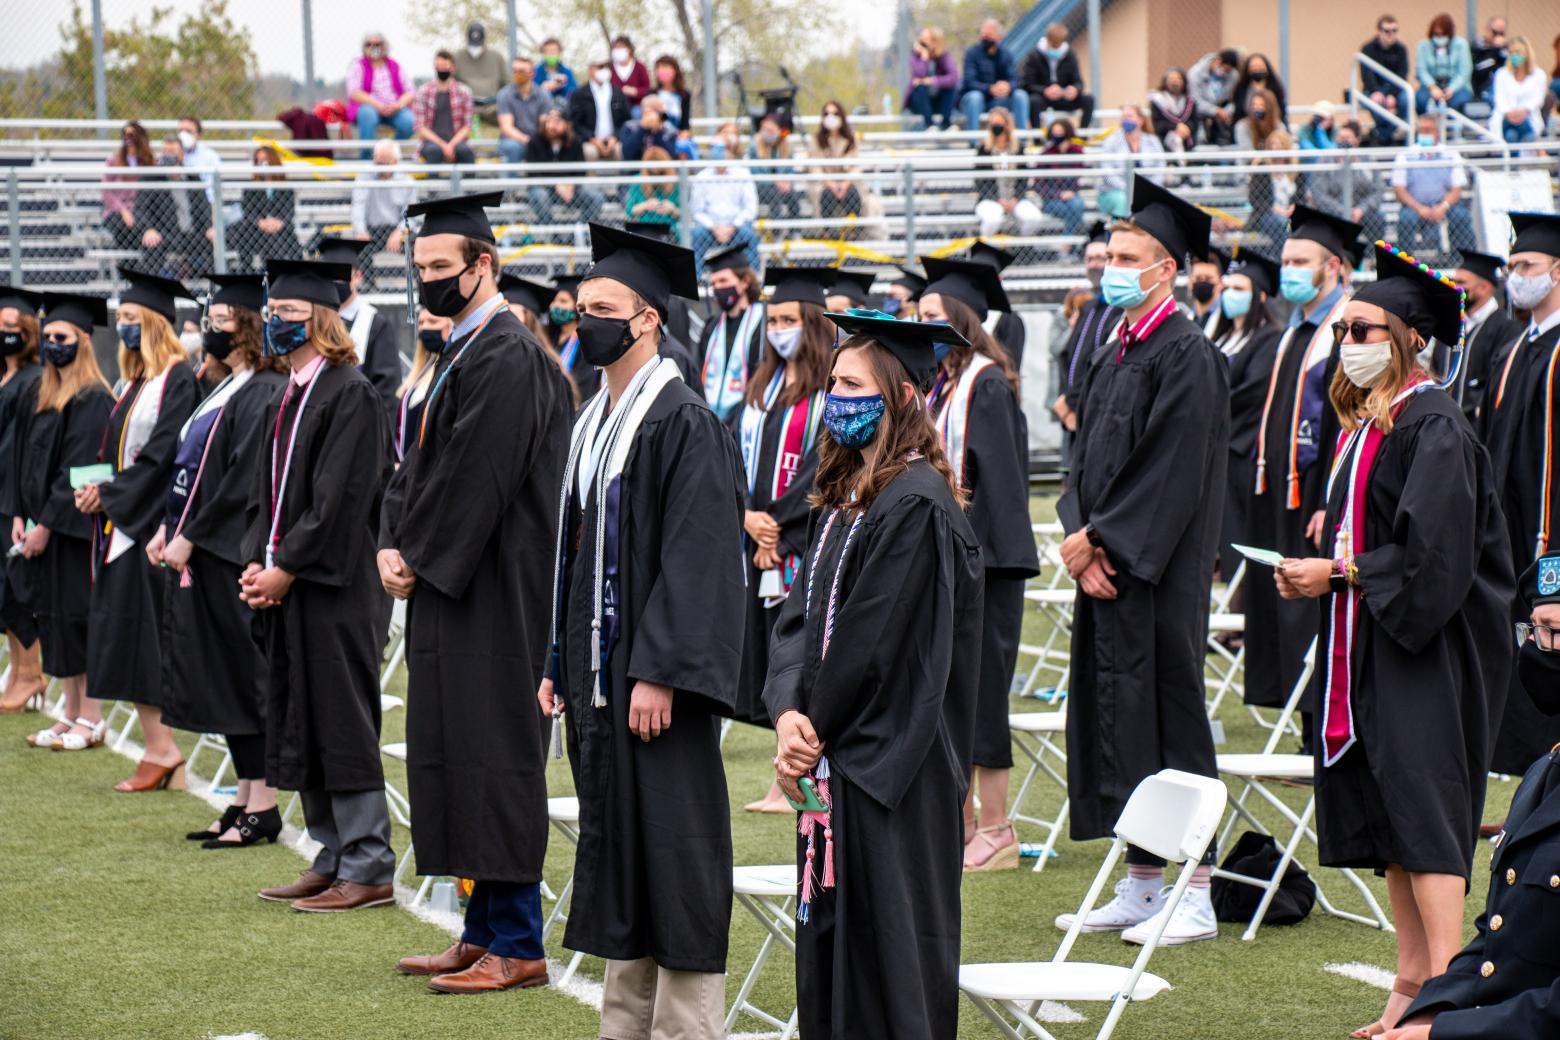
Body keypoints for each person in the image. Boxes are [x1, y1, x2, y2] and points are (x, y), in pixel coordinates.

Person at [1275, 242, 1514, 1038]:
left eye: (1365, 328)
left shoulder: (1435, 424)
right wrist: (1326, 573)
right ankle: (1411, 983)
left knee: (1426, 812)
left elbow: (1435, 558)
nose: (1350, 343)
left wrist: (1336, 577)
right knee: (1392, 817)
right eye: (1343, 330)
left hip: (1430, 651)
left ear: (1411, 335)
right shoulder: (1372, 423)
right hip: (1376, 641)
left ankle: (1446, 1000)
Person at [538, 224, 745, 1038]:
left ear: (648, 318)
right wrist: (558, 655)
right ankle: (625, 1027)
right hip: (601, 684)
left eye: (602, 308)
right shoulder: (598, 418)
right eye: (580, 307)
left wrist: (659, 670)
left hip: (654, 690)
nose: (584, 321)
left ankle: (687, 1028)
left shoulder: (680, 419)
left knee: (674, 858)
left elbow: (698, 560)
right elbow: (579, 553)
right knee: (624, 857)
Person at [764, 311, 983, 1038]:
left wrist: (814, 726)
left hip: (891, 771)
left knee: (889, 962)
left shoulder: (916, 503)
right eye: (833, 383)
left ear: (903, 398)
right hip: (835, 761)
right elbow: (798, 618)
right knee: (835, 954)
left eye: (854, 384)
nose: (837, 398)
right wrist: (789, 711)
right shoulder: (848, 494)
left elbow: (876, 645)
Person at [379, 193, 571, 991]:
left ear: (483, 265)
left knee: (496, 755)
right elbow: (418, 468)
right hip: (458, 585)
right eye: (419, 269)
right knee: (458, 752)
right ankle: (481, 927)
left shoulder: (507, 356)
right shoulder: (460, 351)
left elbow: (476, 479)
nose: (427, 282)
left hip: (501, 590)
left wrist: (417, 554)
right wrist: (393, 542)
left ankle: (518, 940)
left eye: (440, 269)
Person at [1055, 175, 1228, 945]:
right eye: (1108, 253)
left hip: (1156, 574)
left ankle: (1197, 889)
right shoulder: (1113, 346)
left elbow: (1173, 468)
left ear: (1168, 269)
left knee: (1173, 722)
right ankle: (1143, 883)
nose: (1110, 266)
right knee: (1121, 724)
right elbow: (1082, 457)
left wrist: (1106, 541)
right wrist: (1077, 536)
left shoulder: (1186, 353)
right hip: (1109, 571)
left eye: (1128, 255)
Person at [246, 258, 395, 913]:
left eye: (288, 314)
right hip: (296, 582)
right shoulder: (296, 390)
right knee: (301, 713)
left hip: (335, 586)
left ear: (321, 320)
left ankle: (368, 864)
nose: (274, 322)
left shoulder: (349, 391)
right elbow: (272, 497)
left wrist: (288, 564)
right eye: (272, 311)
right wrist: (262, 561)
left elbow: (339, 500)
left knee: (341, 717)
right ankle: (331, 855)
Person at [1386, 594, 1560, 1040]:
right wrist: (1428, 1011)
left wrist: (1448, 1032)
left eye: (1556, 634)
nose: (1539, 650)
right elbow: (1497, 939)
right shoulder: (1545, 772)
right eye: (1536, 631)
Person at [152, 273, 287, 847]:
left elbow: (236, 484)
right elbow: (193, 469)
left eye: (225, 318)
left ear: (251, 326)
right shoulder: (226, 385)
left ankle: (264, 801)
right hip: (202, 549)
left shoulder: (261, 389)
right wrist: (169, 525)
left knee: (243, 675)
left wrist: (192, 535)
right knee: (224, 678)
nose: (211, 327)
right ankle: (242, 794)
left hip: (229, 551)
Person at [917, 257, 1038, 873]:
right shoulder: (944, 384)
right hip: (955, 563)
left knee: (984, 694)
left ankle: (998, 829)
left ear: (962, 320)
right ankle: (963, 822)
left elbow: (1002, 487)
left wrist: (976, 558)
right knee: (954, 692)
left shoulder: (985, 384)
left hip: (986, 567)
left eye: (933, 317)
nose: (923, 326)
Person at [76, 268, 198, 789]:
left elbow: (165, 454)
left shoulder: (177, 377)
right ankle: (158, 748)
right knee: (120, 638)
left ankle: (163, 749)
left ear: (152, 322)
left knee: (140, 641)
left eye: (130, 318)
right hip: (123, 525)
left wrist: (112, 495)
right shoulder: (136, 380)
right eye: (119, 319)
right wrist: (96, 488)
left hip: (148, 528)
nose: (122, 327)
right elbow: (119, 451)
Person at [1245, 205, 1362, 714]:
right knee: (1282, 605)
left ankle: (1317, 720)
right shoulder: (1293, 330)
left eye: (1300, 260)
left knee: (1310, 608)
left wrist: (1329, 503)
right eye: (1285, 259)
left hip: (1317, 495)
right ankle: (1296, 718)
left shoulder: (1348, 331)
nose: (1287, 268)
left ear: (1333, 266)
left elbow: (1350, 423)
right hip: (1283, 489)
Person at [732, 267, 834, 813]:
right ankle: (783, 774)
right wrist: (747, 516)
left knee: (797, 655)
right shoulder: (761, 386)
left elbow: (820, 471)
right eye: (772, 320)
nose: (778, 329)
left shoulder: (828, 391)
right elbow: (731, 455)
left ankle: (795, 777)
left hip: (799, 544)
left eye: (789, 320)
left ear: (812, 324)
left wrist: (777, 526)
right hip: (759, 541)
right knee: (772, 658)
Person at [1481, 212, 1560, 780]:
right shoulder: (1514, 349)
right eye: (1512, 266)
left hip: (1547, 548)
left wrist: (1554, 574)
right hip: (1509, 545)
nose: (1517, 277)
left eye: (1528, 266)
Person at [15, 294, 113, 750]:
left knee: (77, 618)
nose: (53, 344)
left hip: (73, 530)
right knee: (54, 618)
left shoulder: (92, 397)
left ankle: (90, 716)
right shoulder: (43, 392)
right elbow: (24, 463)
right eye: (49, 336)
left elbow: (74, 471)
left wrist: (45, 525)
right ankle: (70, 711)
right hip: (43, 526)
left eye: (63, 337)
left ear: (84, 342)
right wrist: (22, 514)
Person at [1208, 249, 1283, 585]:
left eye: (1239, 289)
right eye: (1226, 288)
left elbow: (1250, 394)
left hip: (1243, 449)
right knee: (1221, 529)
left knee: (1241, 531)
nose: (1229, 295)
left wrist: (1205, 408)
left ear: (1260, 296)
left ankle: (1241, 616)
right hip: (1218, 448)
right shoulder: (1220, 335)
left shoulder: (1269, 338)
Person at [0, 288, 45, 715]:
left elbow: (15, 450)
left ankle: (30, 672)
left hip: (9, 498)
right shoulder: (5, 375)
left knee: (14, 589)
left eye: (12, 328)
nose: (5, 335)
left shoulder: (32, 380)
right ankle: (18, 670)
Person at [314, 236, 405, 419]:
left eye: (341, 275)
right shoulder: (314, 322)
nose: (334, 282)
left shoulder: (375, 323)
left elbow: (386, 390)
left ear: (357, 277)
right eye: (328, 275)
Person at [1054, 222, 1119, 466]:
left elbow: (1102, 360)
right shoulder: (1088, 307)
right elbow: (1068, 358)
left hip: (1096, 411)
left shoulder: (1118, 309)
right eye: (1090, 258)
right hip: (1073, 413)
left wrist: (1072, 402)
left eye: (1102, 258)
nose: (1095, 264)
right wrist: (1065, 401)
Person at [1447, 249, 1523, 420]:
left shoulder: (1506, 329)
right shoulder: (1453, 326)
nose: (1454, 286)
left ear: (1484, 287)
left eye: (1461, 282)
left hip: (1481, 427)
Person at [696, 243, 766, 422]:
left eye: (723, 281)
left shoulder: (762, 322)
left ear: (744, 282)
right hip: (711, 420)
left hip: (747, 418)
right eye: (714, 284)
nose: (718, 288)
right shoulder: (712, 327)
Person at [1390, 115, 1475, 261]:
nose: (1424, 134)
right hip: (1414, 206)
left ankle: (1460, 261)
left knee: (1461, 216)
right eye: (1421, 130)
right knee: (1406, 218)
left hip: (1445, 205)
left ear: (1437, 132)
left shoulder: (1450, 155)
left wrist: (1443, 206)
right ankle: (1405, 263)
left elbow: (1457, 188)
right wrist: (1419, 208)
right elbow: (1399, 189)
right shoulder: (1406, 155)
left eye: (1428, 130)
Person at [139, 137, 211, 280]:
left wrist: (210, 227)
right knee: (152, 245)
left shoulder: (192, 178)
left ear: (182, 155)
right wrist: (148, 229)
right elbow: (141, 209)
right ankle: (155, 292)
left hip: (192, 234)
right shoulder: (152, 178)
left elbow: (204, 208)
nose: (168, 155)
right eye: (165, 151)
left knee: (215, 242)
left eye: (172, 151)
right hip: (164, 235)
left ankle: (211, 293)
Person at [1307, 119, 1387, 246]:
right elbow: (1319, 194)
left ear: (1357, 140)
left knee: (1377, 220)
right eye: (1340, 137)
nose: (1342, 141)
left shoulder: (1367, 161)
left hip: (1361, 213)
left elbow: (1378, 190)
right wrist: (1343, 211)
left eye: (1347, 138)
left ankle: (1373, 259)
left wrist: (1361, 209)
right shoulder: (1325, 161)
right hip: (1332, 212)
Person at [690, 131, 760, 273]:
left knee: (750, 236)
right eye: (713, 148)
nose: (716, 152)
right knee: (696, 235)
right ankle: (695, 284)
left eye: (720, 148)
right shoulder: (701, 177)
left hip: (737, 227)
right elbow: (697, 211)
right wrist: (714, 227)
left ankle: (753, 281)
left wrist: (733, 226)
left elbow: (750, 208)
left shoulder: (743, 174)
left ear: (730, 151)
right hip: (709, 229)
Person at [525, 108, 605, 227]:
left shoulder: (575, 142)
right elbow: (532, 173)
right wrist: (556, 184)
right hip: (543, 188)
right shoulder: (535, 141)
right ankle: (552, 234)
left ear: (566, 124)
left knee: (596, 198)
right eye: (549, 121)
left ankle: (579, 232)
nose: (551, 126)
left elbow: (580, 171)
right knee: (540, 196)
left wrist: (570, 185)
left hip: (569, 189)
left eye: (557, 122)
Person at [975, 108, 1041, 238]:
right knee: (993, 219)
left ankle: (1019, 246)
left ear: (1007, 124)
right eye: (992, 123)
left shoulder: (1018, 148)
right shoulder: (983, 149)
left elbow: (1024, 178)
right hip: (991, 199)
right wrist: (997, 199)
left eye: (998, 122)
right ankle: (985, 249)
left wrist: (1016, 198)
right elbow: (979, 181)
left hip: (1015, 198)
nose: (995, 126)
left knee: (1034, 218)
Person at [347, 32, 416, 155]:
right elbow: (354, 92)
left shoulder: (395, 66)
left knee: (410, 122)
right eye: (369, 44)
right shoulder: (358, 66)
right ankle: (366, 160)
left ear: (384, 46)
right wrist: (378, 105)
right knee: (367, 115)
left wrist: (398, 105)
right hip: (370, 107)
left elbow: (410, 92)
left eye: (377, 44)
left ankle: (388, 154)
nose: (373, 48)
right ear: (364, 47)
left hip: (394, 108)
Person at [349, 140, 416, 261]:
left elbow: (411, 215)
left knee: (417, 245)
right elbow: (358, 205)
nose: (378, 166)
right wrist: (361, 231)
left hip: (397, 228)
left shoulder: (406, 180)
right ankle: (368, 281)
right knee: (358, 247)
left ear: (394, 162)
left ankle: (419, 279)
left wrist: (400, 231)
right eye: (376, 161)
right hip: (372, 229)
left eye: (383, 163)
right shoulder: (364, 176)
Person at [235, 146, 301, 269]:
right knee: (248, 235)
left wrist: (278, 222)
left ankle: (278, 274)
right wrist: (260, 222)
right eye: (258, 161)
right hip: (257, 230)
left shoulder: (285, 186)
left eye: (265, 159)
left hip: (280, 229)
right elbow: (248, 210)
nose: (262, 164)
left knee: (278, 239)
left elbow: (289, 210)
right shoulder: (251, 186)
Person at [960, 19, 1030, 132]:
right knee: (974, 97)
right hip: (979, 100)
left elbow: (1015, 79)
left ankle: (1022, 141)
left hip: (999, 100)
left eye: (989, 35)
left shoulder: (1006, 54)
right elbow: (969, 81)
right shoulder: (972, 53)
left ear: (998, 37)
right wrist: (990, 89)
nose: (985, 38)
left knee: (1020, 95)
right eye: (983, 34)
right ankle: (973, 142)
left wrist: (1008, 86)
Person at [1096, 105, 1164, 219]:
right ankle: (1120, 234)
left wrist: (1149, 190)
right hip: (1114, 192)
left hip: (1147, 191)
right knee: (1123, 200)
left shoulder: (1152, 141)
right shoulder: (1111, 140)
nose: (1125, 120)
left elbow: (1160, 168)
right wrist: (1129, 190)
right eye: (1123, 117)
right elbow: (1106, 172)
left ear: (1141, 120)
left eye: (1129, 116)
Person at [1021, 23, 1094, 129]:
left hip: (1064, 98)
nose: (1055, 49)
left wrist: (1074, 89)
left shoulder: (1069, 55)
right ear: (1047, 40)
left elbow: (1079, 82)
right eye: (1053, 45)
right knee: (1033, 101)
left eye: (1058, 45)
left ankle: (1082, 136)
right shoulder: (1034, 56)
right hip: (1044, 99)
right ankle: (1037, 139)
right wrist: (1045, 90)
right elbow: (1027, 84)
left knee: (1088, 100)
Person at [415, 51, 476, 166]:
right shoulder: (423, 91)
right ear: (434, 67)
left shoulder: (464, 92)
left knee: (466, 152)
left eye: (445, 67)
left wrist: (451, 145)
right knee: (434, 151)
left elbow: (467, 126)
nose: (442, 70)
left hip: (457, 140)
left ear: (453, 68)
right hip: (431, 142)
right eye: (439, 67)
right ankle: (431, 184)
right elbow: (420, 126)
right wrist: (443, 145)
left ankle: (469, 183)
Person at [103, 122, 154, 254]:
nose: (127, 138)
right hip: (118, 212)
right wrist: (123, 210)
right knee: (124, 227)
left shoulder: (150, 162)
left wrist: (137, 212)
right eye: (124, 135)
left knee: (145, 228)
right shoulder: (114, 162)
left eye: (131, 135)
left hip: (143, 211)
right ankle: (128, 267)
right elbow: (106, 191)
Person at [1360, 15, 1412, 144]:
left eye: (1394, 31)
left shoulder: (1401, 49)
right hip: (1374, 88)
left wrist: (1392, 94)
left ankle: (1382, 134)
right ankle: (1388, 134)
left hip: (1394, 88)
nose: (1391, 34)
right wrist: (1375, 91)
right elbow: (1366, 74)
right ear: (1379, 31)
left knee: (1407, 99)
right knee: (1374, 101)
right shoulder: (1368, 49)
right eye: (1387, 31)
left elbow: (1402, 74)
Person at [812, 101, 864, 227]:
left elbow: (857, 166)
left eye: (835, 113)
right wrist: (830, 184)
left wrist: (846, 184)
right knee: (827, 196)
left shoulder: (851, 140)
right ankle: (826, 232)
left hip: (848, 183)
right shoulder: (816, 140)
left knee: (853, 194)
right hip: (825, 185)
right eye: (827, 114)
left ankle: (853, 231)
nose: (831, 117)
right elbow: (814, 168)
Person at [1035, 118, 1087, 240]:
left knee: (1077, 205)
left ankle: (1065, 245)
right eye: (1054, 132)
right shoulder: (1046, 153)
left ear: (1067, 133)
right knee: (1075, 211)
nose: (1057, 135)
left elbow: (1079, 178)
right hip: (1051, 199)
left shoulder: (1077, 152)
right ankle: (1069, 245)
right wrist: (1058, 194)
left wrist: (1071, 192)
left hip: (1072, 197)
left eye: (1060, 132)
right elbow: (1038, 184)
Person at [1490, 36, 1549, 144]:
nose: (1514, 56)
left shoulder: (1539, 75)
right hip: (1506, 117)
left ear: (1527, 53)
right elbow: (1500, 97)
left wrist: (1524, 111)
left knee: (1511, 136)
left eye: (1518, 52)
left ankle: (1518, 156)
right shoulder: (1502, 74)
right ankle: (1538, 148)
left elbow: (1538, 99)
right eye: (1511, 52)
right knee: (1525, 133)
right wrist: (1509, 113)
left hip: (1528, 116)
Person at [569, 61, 630, 163]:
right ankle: (590, 179)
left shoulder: (618, 92)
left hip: (615, 140)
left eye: (607, 67)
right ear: (590, 70)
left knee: (621, 150)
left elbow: (626, 119)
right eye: (600, 67)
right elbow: (576, 123)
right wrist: (592, 139)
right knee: (589, 152)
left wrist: (615, 137)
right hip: (589, 141)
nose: (604, 70)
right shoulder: (579, 94)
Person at [1415, 13, 1474, 114]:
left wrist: (1451, 89)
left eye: (1443, 35)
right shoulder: (1423, 46)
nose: (1440, 38)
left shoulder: (1461, 45)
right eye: (1437, 34)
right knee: (1422, 100)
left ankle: (1454, 128)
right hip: (1431, 87)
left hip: (1456, 87)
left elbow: (1465, 71)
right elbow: (1421, 70)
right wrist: (1433, 87)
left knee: (1458, 102)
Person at [748, 113, 802, 222]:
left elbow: (791, 169)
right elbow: (755, 172)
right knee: (774, 194)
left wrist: (787, 181)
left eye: (771, 130)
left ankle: (795, 231)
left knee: (793, 195)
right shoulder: (754, 146)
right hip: (762, 186)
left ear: (778, 131)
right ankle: (776, 231)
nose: (767, 133)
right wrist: (775, 181)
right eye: (765, 129)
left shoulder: (785, 145)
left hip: (783, 186)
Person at [904, 26, 960, 131]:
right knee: (920, 87)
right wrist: (924, 57)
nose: (921, 42)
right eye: (921, 39)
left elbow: (953, 78)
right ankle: (930, 126)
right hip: (919, 103)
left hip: (938, 102)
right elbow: (918, 75)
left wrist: (931, 81)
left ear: (935, 42)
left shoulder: (944, 56)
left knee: (951, 87)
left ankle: (946, 124)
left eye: (925, 39)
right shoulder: (916, 56)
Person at [496, 56, 548, 163]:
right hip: (511, 141)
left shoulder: (543, 95)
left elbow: (544, 124)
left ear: (532, 73)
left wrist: (536, 142)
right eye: (514, 71)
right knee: (513, 148)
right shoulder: (504, 95)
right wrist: (528, 141)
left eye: (521, 71)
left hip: (537, 140)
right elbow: (506, 128)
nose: (517, 74)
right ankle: (511, 180)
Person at [455, 22, 507, 127]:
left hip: (492, 106)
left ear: (485, 39)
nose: (475, 49)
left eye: (478, 43)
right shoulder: (456, 57)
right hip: (465, 106)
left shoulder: (497, 57)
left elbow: (506, 83)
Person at [1188, 48, 1241, 145]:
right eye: (1224, 68)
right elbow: (1195, 101)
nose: (1224, 72)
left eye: (1228, 71)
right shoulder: (1195, 73)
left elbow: (1234, 99)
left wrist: (1227, 112)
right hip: (1200, 116)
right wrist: (1216, 111)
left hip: (1222, 118)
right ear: (1217, 61)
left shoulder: (1233, 76)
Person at [623, 146, 680, 231]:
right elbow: (629, 211)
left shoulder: (674, 182)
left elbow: (684, 213)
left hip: (670, 227)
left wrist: (672, 208)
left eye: (658, 162)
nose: (655, 167)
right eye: (652, 163)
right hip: (646, 226)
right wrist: (646, 205)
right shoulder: (638, 181)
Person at [1149, 67, 1201, 152]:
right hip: (1164, 145)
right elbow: (1157, 125)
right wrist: (1175, 127)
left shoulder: (1190, 102)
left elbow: (1195, 122)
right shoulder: (1158, 101)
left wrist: (1186, 128)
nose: (1175, 81)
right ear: (1165, 81)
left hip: (1187, 143)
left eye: (1178, 78)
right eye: (1172, 79)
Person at [176, 116, 221, 204]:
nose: (183, 134)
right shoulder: (170, 154)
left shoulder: (210, 156)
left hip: (202, 205)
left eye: (188, 131)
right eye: (180, 131)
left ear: (199, 135)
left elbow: (212, 190)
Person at [620, 94, 678, 162]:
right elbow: (627, 154)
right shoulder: (630, 127)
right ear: (642, 112)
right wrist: (642, 128)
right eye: (650, 112)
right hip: (635, 170)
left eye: (659, 113)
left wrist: (657, 131)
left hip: (661, 170)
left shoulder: (669, 131)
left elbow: (670, 156)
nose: (654, 116)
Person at [1232, 53, 1287, 125]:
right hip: (1247, 128)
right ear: (1248, 69)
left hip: (1271, 127)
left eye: (1260, 66)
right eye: (1253, 67)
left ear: (1267, 68)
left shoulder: (1275, 88)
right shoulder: (1241, 90)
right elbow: (1237, 113)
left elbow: (1282, 112)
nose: (1257, 69)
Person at [1471, 15, 1509, 104]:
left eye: (1501, 34)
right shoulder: (1478, 45)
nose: (1498, 36)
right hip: (1482, 87)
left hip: (1503, 88)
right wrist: (1495, 50)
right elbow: (1479, 69)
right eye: (1495, 32)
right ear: (1487, 29)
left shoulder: (1507, 48)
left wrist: (1504, 49)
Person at [608, 36, 651, 113]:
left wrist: (635, 91)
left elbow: (647, 89)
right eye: (615, 47)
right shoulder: (610, 68)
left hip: (637, 106)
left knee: (636, 113)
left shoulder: (640, 67)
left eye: (620, 47)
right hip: (615, 106)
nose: (617, 50)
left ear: (629, 49)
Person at [651, 55, 692, 130]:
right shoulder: (652, 93)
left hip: (677, 134)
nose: (662, 70)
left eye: (665, 67)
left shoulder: (684, 94)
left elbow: (685, 121)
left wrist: (684, 132)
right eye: (659, 68)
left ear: (675, 70)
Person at [1187, 252, 1224, 331]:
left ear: (1221, 283)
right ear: (1190, 282)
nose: (1203, 282)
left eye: (1208, 279)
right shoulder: (1186, 319)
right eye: (1198, 278)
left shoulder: (1228, 321)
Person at [535, 38, 577, 103]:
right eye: (547, 51)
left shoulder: (567, 72)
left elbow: (574, 94)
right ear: (543, 53)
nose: (551, 53)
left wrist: (562, 85)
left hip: (562, 110)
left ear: (559, 53)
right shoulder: (535, 71)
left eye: (554, 50)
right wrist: (542, 88)